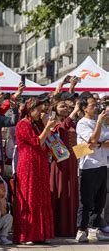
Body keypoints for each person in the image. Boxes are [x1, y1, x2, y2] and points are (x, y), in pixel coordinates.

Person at [13, 97, 55, 244]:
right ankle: (27, 235)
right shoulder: (22, 125)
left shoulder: (37, 124)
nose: (40, 112)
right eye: (38, 109)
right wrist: (47, 127)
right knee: (29, 197)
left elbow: (49, 141)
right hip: (28, 165)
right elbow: (37, 141)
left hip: (41, 163)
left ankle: (40, 234)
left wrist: (46, 125)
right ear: (30, 110)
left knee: (41, 197)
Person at [75, 97, 109, 242]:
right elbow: (93, 140)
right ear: (84, 108)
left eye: (96, 105)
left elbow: (104, 142)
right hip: (88, 165)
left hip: (102, 163)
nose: (96, 107)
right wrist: (99, 140)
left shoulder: (98, 122)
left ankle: (94, 228)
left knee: (100, 200)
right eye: (92, 105)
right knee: (87, 200)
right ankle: (81, 229)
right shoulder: (82, 123)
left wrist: (99, 143)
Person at [50, 95, 80, 237]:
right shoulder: (52, 122)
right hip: (61, 162)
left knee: (71, 193)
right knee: (61, 191)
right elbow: (61, 127)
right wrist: (74, 111)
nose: (66, 109)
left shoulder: (73, 123)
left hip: (73, 160)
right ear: (55, 108)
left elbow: (77, 141)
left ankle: (70, 227)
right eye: (62, 106)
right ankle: (58, 227)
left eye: (67, 107)